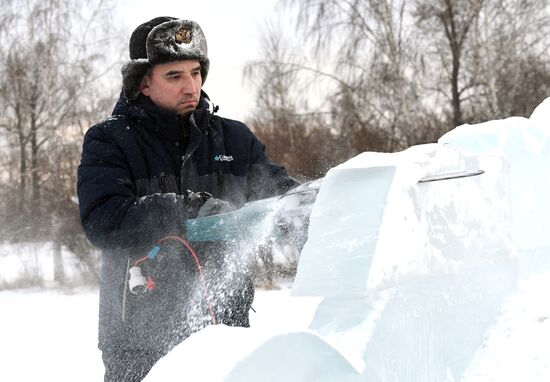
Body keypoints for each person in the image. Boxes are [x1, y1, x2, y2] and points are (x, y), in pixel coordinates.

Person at [77, 17, 298, 381]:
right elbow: (104, 220)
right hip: (138, 344)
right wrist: (188, 210)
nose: (191, 86)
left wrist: (325, 199)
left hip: (222, 334)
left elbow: (280, 197)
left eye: (196, 72)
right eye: (174, 76)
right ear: (143, 83)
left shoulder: (234, 140)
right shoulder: (110, 141)